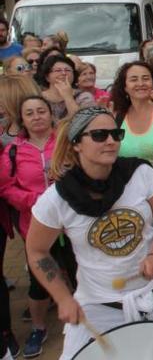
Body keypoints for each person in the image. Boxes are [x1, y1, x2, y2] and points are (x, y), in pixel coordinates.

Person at [26, 107, 153, 359]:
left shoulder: (139, 173)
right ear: (76, 143)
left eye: (116, 133)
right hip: (100, 302)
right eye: (100, 135)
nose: (111, 140)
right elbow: (37, 250)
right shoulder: (56, 200)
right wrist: (63, 298)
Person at [0, 96, 70, 358]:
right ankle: (39, 327)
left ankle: (84, 320)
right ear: (22, 119)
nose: (37, 116)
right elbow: (6, 187)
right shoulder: (13, 151)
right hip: (36, 227)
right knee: (41, 281)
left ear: (50, 114)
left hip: (72, 225)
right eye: (30, 113)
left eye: (42, 111)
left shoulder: (65, 142)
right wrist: (36, 201)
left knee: (79, 274)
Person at [110, 62, 153, 165]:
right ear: (125, 87)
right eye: (134, 79)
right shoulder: (116, 116)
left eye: (145, 78)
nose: (140, 84)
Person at [36, 55, 95, 122]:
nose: (63, 73)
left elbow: (82, 122)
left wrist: (68, 97)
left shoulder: (84, 97)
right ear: (47, 77)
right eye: (58, 70)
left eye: (67, 70)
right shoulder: (39, 98)